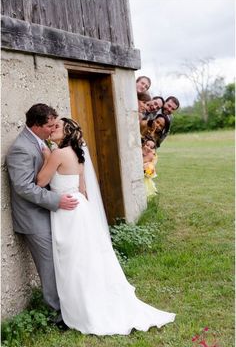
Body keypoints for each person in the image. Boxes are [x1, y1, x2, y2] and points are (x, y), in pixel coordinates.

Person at [36, 117, 175, 335]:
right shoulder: (77, 154)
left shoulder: (56, 154)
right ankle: (87, 301)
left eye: (57, 127)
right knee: (85, 260)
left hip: (66, 211)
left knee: (72, 262)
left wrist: (46, 157)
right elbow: (82, 189)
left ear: (67, 132)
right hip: (81, 209)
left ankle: (80, 309)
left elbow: (40, 182)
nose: (53, 129)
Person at [6, 104, 79, 327]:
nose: (52, 129)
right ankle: (59, 314)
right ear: (36, 126)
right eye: (49, 126)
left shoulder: (41, 142)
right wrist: (57, 200)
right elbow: (24, 187)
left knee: (59, 263)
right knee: (48, 267)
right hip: (34, 219)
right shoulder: (21, 148)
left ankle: (69, 306)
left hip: (49, 214)